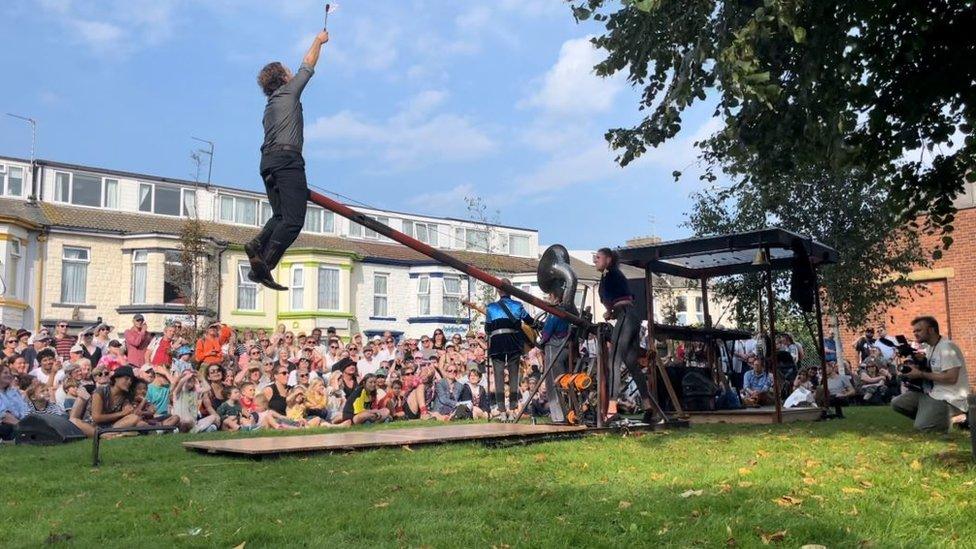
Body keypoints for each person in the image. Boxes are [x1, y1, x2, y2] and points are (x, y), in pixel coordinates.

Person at [245, 29, 330, 291]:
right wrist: (318, 40)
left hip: (267, 162)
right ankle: (265, 265)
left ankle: (257, 245)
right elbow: (308, 64)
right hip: (287, 160)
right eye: (287, 71)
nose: (292, 72)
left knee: (281, 215)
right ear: (283, 78)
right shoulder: (288, 92)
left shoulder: (269, 106)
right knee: (293, 221)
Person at [594, 248, 655, 424]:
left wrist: (610, 312)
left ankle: (611, 410)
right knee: (632, 364)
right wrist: (611, 312)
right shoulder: (615, 275)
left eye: (598, 257)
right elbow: (623, 297)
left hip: (625, 316)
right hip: (631, 316)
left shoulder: (609, 274)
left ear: (609, 259)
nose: (595, 260)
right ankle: (647, 405)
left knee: (613, 361)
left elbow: (612, 299)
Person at [892, 316, 969, 432]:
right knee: (897, 403)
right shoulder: (930, 347)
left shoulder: (946, 347)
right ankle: (935, 417)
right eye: (914, 331)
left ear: (931, 330)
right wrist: (918, 364)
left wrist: (920, 374)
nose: (915, 334)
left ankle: (960, 418)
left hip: (950, 398)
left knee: (922, 427)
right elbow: (931, 370)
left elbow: (952, 378)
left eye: (919, 330)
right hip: (933, 393)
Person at [483, 279, 533, 421]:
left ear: (498, 291)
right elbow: (529, 321)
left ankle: (502, 411)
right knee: (513, 376)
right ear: (511, 291)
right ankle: (512, 410)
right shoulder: (518, 305)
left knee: (498, 377)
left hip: (497, 343)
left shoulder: (491, 307)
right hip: (512, 341)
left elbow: (487, 329)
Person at [0, 364, 29, 440]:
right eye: (5, 373)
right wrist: (22, 426)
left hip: (21, 422)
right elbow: (4, 415)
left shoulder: (13, 391)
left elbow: (24, 408)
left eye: (10, 373)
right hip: (7, 425)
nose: (9, 375)